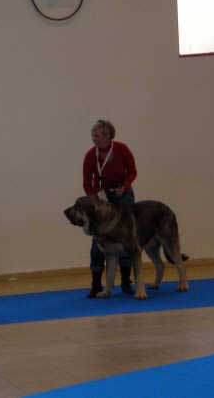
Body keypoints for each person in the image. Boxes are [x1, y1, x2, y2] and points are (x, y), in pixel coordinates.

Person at [82, 119, 137, 298]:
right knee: (98, 238)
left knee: (126, 237)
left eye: (97, 136)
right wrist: (94, 197)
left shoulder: (122, 149)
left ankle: (126, 282)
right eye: (93, 135)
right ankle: (96, 283)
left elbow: (132, 172)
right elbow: (86, 182)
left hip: (123, 195)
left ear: (108, 136)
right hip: (101, 198)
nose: (94, 139)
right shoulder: (91, 155)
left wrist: (124, 186)